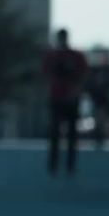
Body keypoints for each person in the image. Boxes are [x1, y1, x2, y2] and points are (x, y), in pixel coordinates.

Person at [42, 28, 88, 176]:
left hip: (71, 98)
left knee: (71, 134)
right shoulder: (53, 56)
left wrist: (75, 92)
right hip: (57, 97)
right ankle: (54, 164)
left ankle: (70, 164)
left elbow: (82, 76)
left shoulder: (75, 56)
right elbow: (47, 76)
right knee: (55, 132)